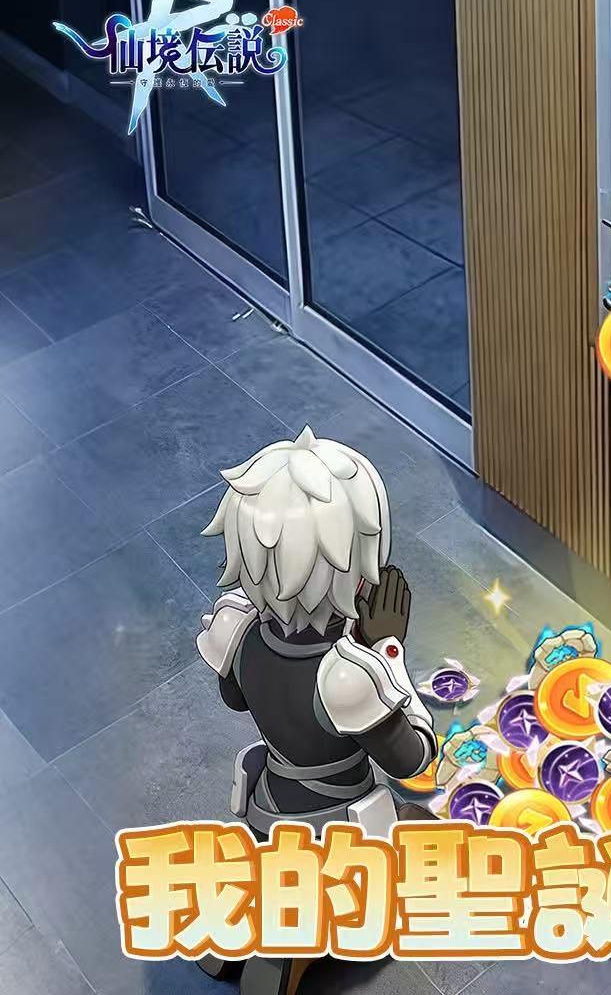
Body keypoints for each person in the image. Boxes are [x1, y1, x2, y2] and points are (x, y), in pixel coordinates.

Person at [194, 426, 437, 993]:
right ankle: (294, 947)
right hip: (334, 828)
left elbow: (235, 698)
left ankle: (234, 933)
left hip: (266, 807)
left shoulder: (240, 632)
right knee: (418, 832)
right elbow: (413, 758)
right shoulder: (346, 676)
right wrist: (387, 651)